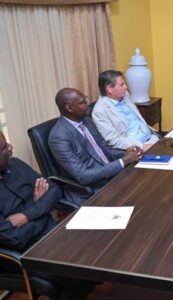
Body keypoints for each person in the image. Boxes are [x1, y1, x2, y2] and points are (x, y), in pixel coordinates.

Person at [0, 131, 96, 299]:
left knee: (95, 251)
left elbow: (54, 190)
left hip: (52, 234)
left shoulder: (15, 165)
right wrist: (41, 208)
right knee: (84, 269)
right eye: (3, 148)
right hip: (24, 256)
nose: (10, 148)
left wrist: (28, 214)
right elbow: (15, 239)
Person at [49, 88, 142, 206]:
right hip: (92, 188)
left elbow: (105, 149)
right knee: (137, 200)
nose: (87, 104)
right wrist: (124, 161)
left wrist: (128, 153)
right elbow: (83, 176)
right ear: (69, 108)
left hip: (112, 175)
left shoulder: (86, 120)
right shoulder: (59, 137)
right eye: (82, 102)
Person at [92, 70, 159, 152]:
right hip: (137, 147)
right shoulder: (100, 111)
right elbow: (113, 140)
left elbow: (134, 117)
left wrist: (147, 127)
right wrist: (142, 146)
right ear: (109, 88)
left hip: (152, 137)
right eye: (122, 85)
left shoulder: (125, 95)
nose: (126, 87)